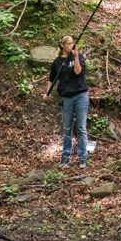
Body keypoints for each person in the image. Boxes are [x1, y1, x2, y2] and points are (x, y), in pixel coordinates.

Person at [46, 36, 89, 168]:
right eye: (69, 44)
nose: (71, 45)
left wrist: (75, 56)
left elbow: (78, 71)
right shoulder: (57, 62)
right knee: (67, 129)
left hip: (81, 96)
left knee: (81, 128)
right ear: (63, 46)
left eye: (72, 43)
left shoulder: (79, 56)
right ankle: (65, 157)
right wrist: (47, 93)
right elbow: (51, 79)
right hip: (66, 98)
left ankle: (82, 157)